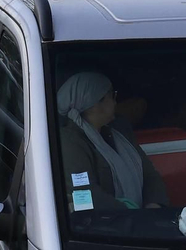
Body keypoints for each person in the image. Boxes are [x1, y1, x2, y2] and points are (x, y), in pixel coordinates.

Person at [57, 71, 168, 211]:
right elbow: (85, 194)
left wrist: (153, 204)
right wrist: (129, 214)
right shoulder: (71, 142)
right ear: (95, 103)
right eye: (112, 95)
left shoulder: (119, 131)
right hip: (107, 226)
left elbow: (149, 174)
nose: (116, 101)